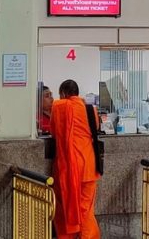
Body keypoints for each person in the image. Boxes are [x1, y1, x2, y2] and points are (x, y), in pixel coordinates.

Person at [51, 80, 101, 239]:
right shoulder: (90, 109)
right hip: (87, 167)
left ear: (64, 93)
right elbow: (96, 129)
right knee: (85, 210)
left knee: (65, 207)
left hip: (66, 168)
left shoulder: (58, 106)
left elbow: (53, 131)